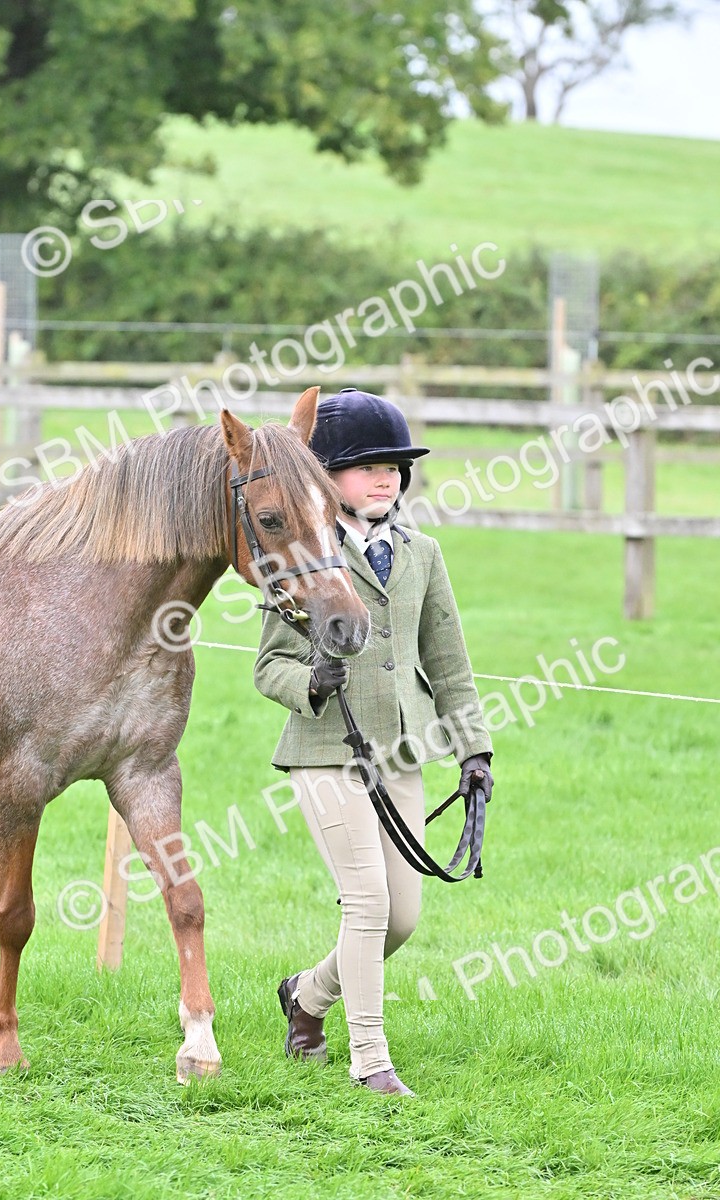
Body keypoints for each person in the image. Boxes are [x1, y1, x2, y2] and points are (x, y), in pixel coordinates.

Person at [253, 387, 494, 1097]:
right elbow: (269, 666)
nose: (385, 475)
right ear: (325, 478)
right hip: (326, 751)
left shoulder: (423, 554)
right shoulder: (297, 559)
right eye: (366, 465)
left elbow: (448, 659)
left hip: (405, 752)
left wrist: (473, 749)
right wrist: (314, 684)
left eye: (394, 464)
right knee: (366, 903)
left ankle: (306, 996)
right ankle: (370, 1061)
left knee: (402, 918)